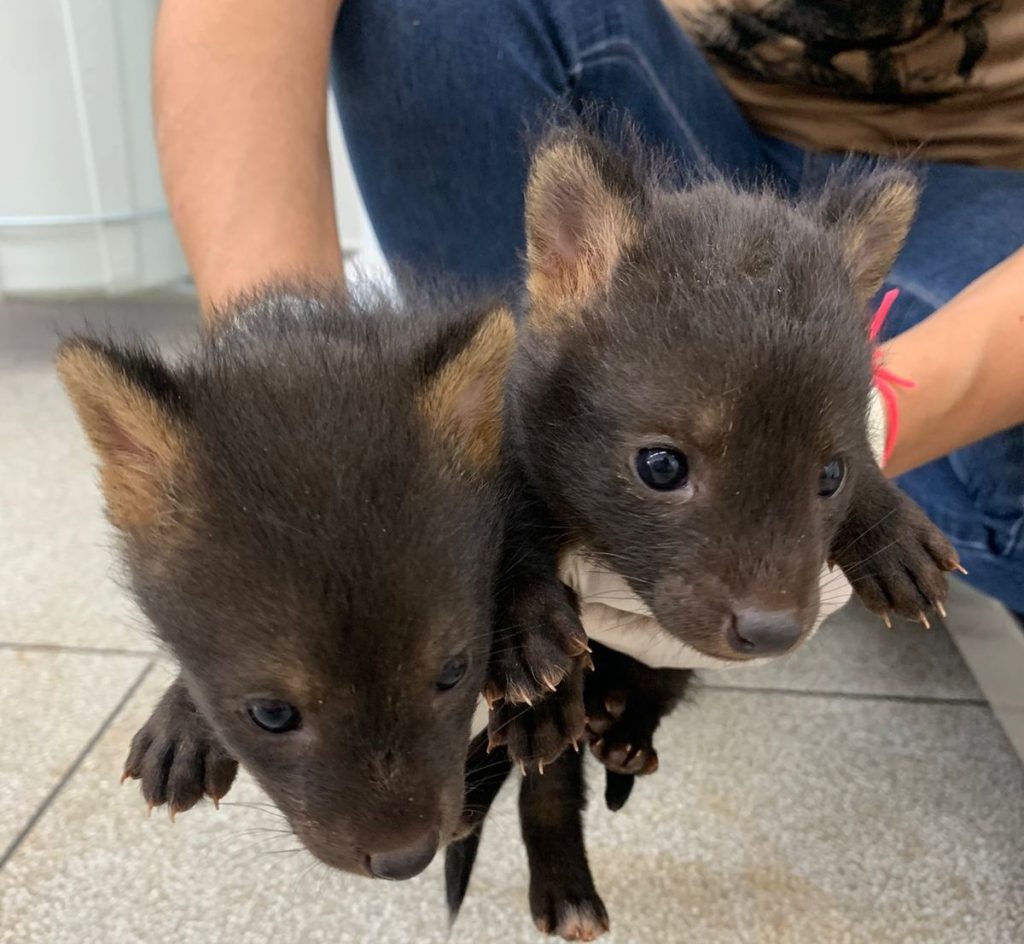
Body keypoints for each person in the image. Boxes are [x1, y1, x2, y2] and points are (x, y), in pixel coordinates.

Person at [152, 0, 1024, 616]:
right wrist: (284, 397)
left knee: (1004, 464)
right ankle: (507, 481)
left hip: (984, 183)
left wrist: (875, 423)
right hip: (671, 101)